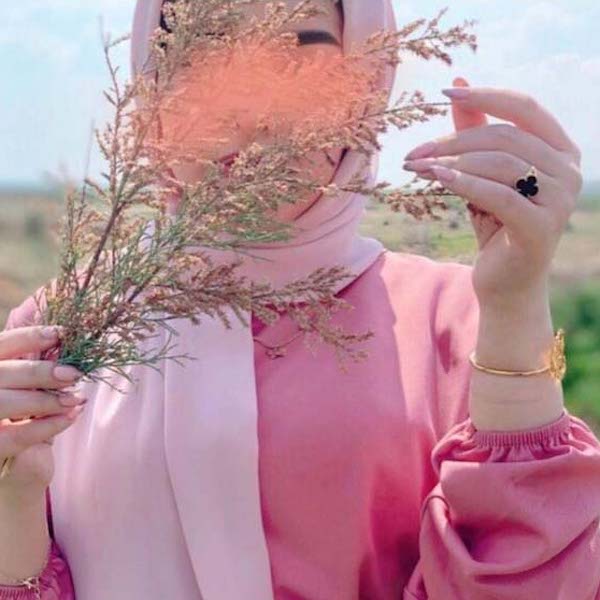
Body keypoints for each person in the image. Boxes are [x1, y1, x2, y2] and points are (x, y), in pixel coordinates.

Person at [1, 0, 599, 599]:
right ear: (153, 90)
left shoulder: (461, 324)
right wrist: (11, 498)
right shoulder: (62, 334)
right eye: (203, 51)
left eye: (299, 49)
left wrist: (517, 303)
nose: (250, 100)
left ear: (365, 85)